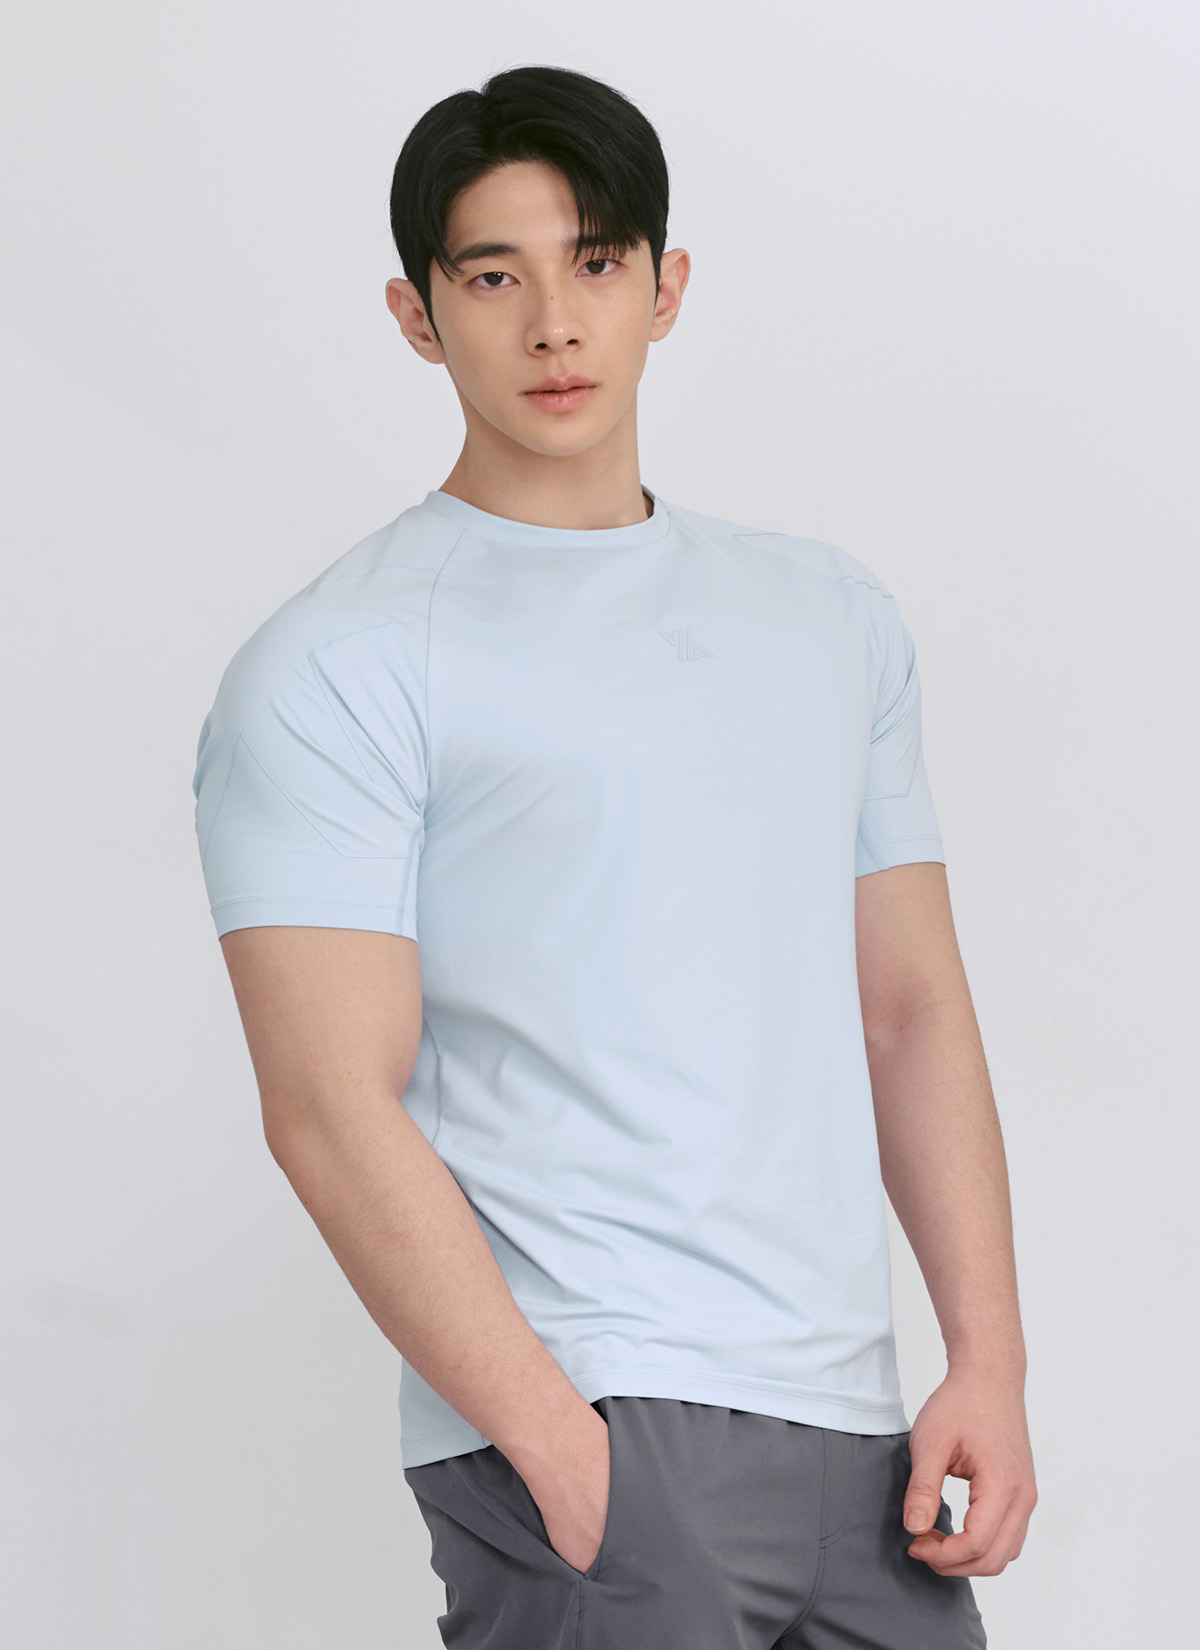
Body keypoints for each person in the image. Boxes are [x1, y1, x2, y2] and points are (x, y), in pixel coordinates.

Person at [191, 62, 1036, 1650]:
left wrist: (986, 1359)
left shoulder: (826, 615)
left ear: (668, 286)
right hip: (596, 1412)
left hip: (865, 1436)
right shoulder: (343, 658)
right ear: (416, 316)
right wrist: (559, 1448)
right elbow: (325, 1103)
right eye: (492, 278)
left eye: (594, 262)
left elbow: (909, 1008)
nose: (554, 324)